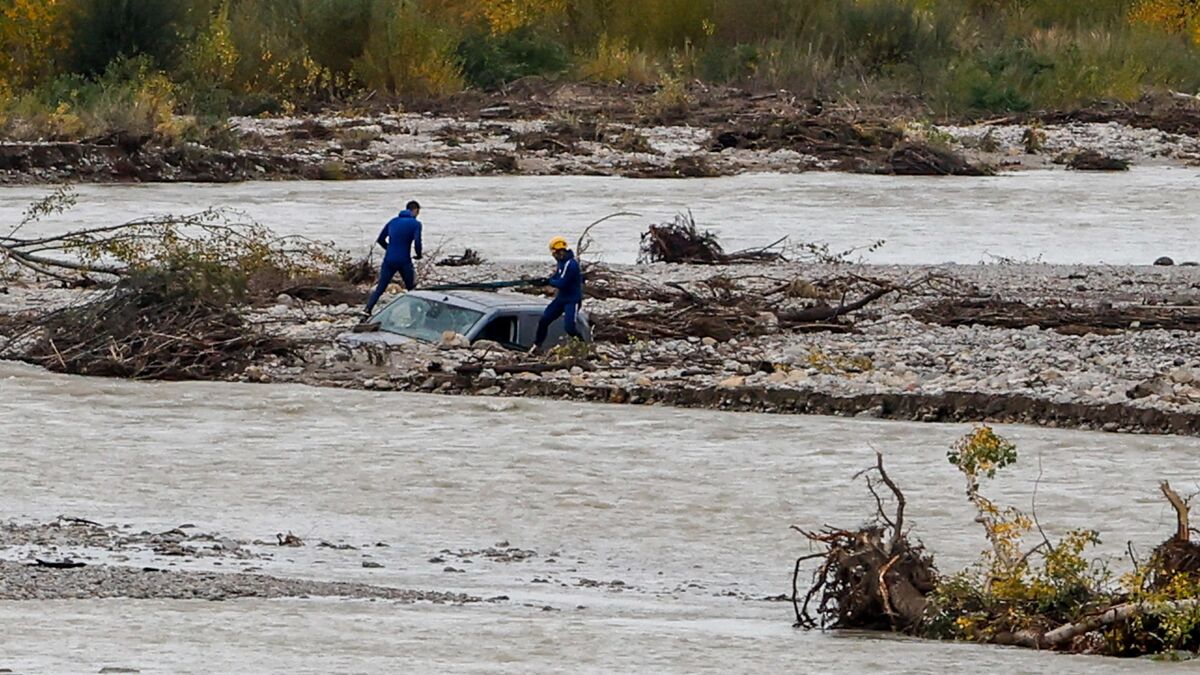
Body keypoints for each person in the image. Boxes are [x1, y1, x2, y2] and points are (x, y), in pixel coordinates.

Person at [364, 200, 423, 316]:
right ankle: (414, 315)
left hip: (389, 259)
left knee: (381, 287)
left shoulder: (392, 221)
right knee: (411, 287)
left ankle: (367, 310)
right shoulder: (416, 224)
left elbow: (380, 239)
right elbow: (417, 242)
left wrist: (389, 249)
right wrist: (419, 255)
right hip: (404, 260)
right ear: (415, 210)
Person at [530, 236, 584, 354]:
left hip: (572, 300)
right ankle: (537, 345)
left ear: (558, 252)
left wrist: (549, 282)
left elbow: (562, 283)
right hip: (561, 298)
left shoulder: (571, 265)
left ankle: (583, 345)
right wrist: (544, 280)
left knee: (569, 327)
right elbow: (556, 277)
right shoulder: (561, 262)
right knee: (544, 320)